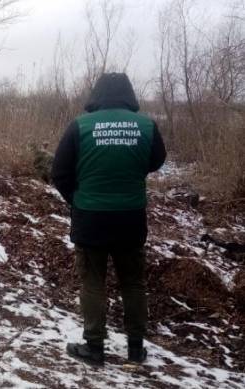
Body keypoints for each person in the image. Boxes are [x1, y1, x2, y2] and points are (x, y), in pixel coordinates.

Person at [51, 73, 167, 366]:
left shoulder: (80, 126)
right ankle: (135, 349)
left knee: (92, 283)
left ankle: (94, 348)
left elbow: (59, 173)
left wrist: (77, 201)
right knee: (133, 283)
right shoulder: (147, 126)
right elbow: (157, 160)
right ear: (129, 94)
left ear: (96, 94)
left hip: (90, 218)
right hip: (130, 218)